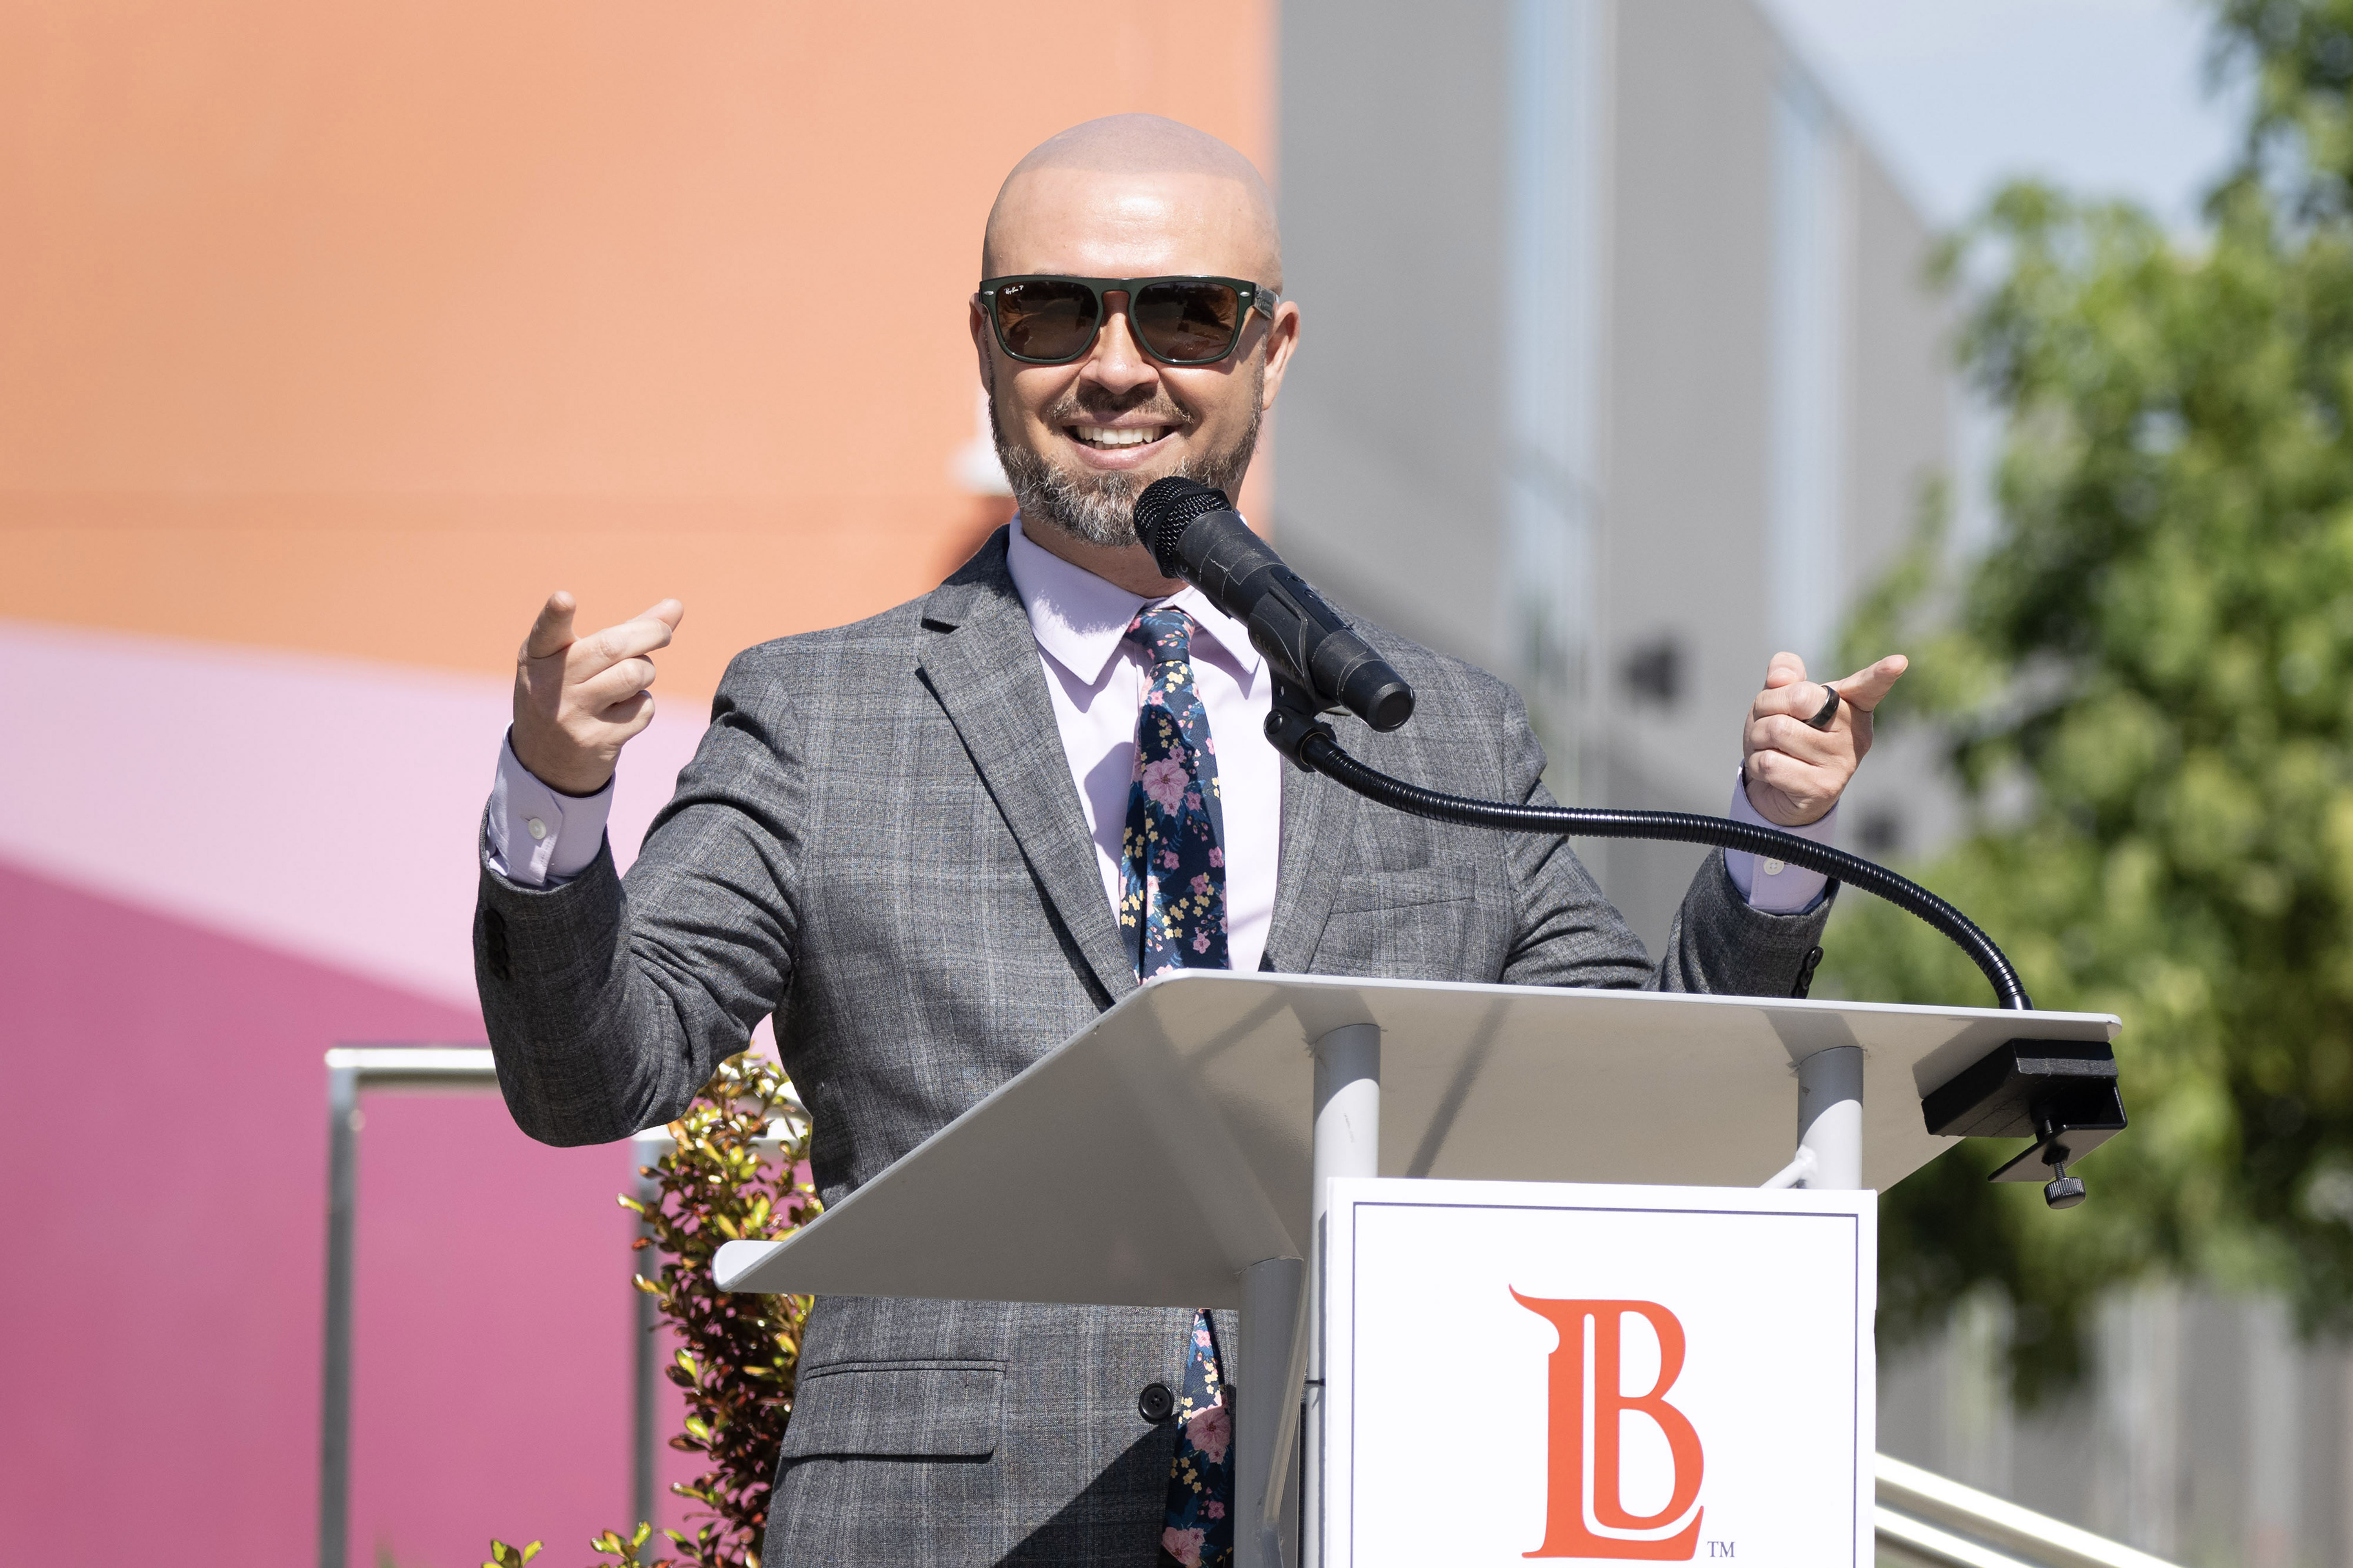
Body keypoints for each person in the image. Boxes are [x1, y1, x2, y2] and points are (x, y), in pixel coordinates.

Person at [474, 113, 1907, 1568]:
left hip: (1373, 1504)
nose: (1113, 363)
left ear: (1272, 348)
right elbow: (596, 1073)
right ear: (983, 346)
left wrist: (1771, 849)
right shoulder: (822, 711)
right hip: (951, 1527)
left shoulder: (1441, 731)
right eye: (1050, 312)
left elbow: (1637, 1101)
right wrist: (553, 803)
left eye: (1184, 315)